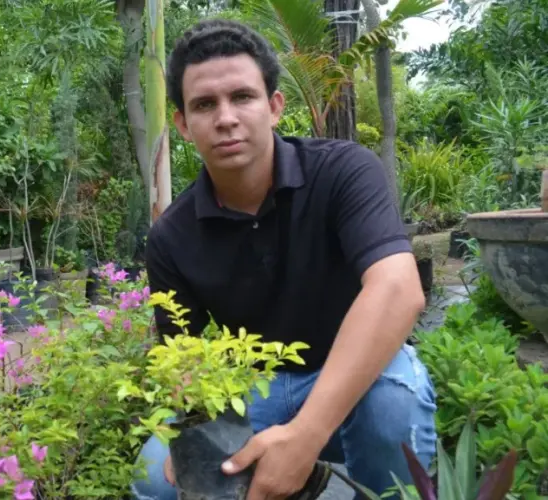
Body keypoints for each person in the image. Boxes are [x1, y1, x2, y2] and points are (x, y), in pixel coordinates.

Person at [132, 18, 438, 500]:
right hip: (254, 391)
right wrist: (192, 440)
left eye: (243, 97)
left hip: (359, 377)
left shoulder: (344, 172)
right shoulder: (171, 237)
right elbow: (184, 364)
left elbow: (398, 288)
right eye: (205, 104)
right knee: (156, 477)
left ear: (274, 107)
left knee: (393, 407)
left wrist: (304, 438)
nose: (226, 117)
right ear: (183, 125)